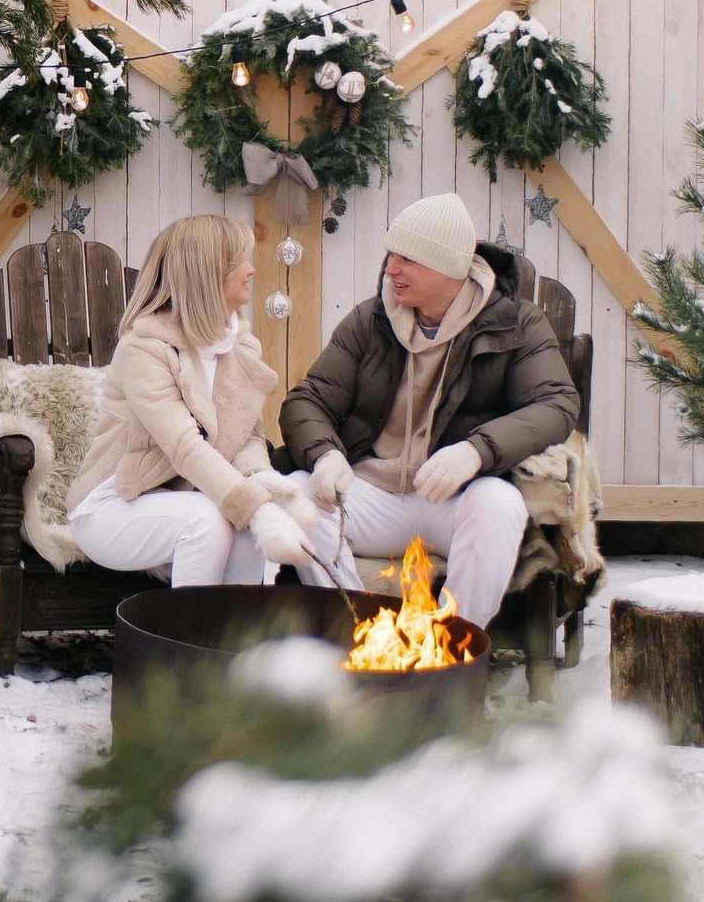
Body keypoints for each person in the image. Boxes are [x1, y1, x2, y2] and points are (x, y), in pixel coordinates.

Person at [280, 193, 580, 623]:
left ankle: (451, 646)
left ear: (448, 266)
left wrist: (476, 451)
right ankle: (353, 631)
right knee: (298, 494)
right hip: (371, 494)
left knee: (499, 504)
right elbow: (306, 401)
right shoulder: (370, 321)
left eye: (407, 259)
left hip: (451, 499)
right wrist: (325, 456)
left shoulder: (517, 323)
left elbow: (557, 403)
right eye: (390, 255)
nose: (390, 268)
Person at [65, 215, 317, 587]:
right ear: (206, 275)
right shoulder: (145, 350)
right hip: (114, 503)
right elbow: (184, 446)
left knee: (243, 524)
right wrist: (259, 509)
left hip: (189, 494)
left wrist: (263, 483)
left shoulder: (240, 345)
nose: (251, 270)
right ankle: (186, 640)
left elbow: (246, 437)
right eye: (238, 263)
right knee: (210, 518)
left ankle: (233, 641)